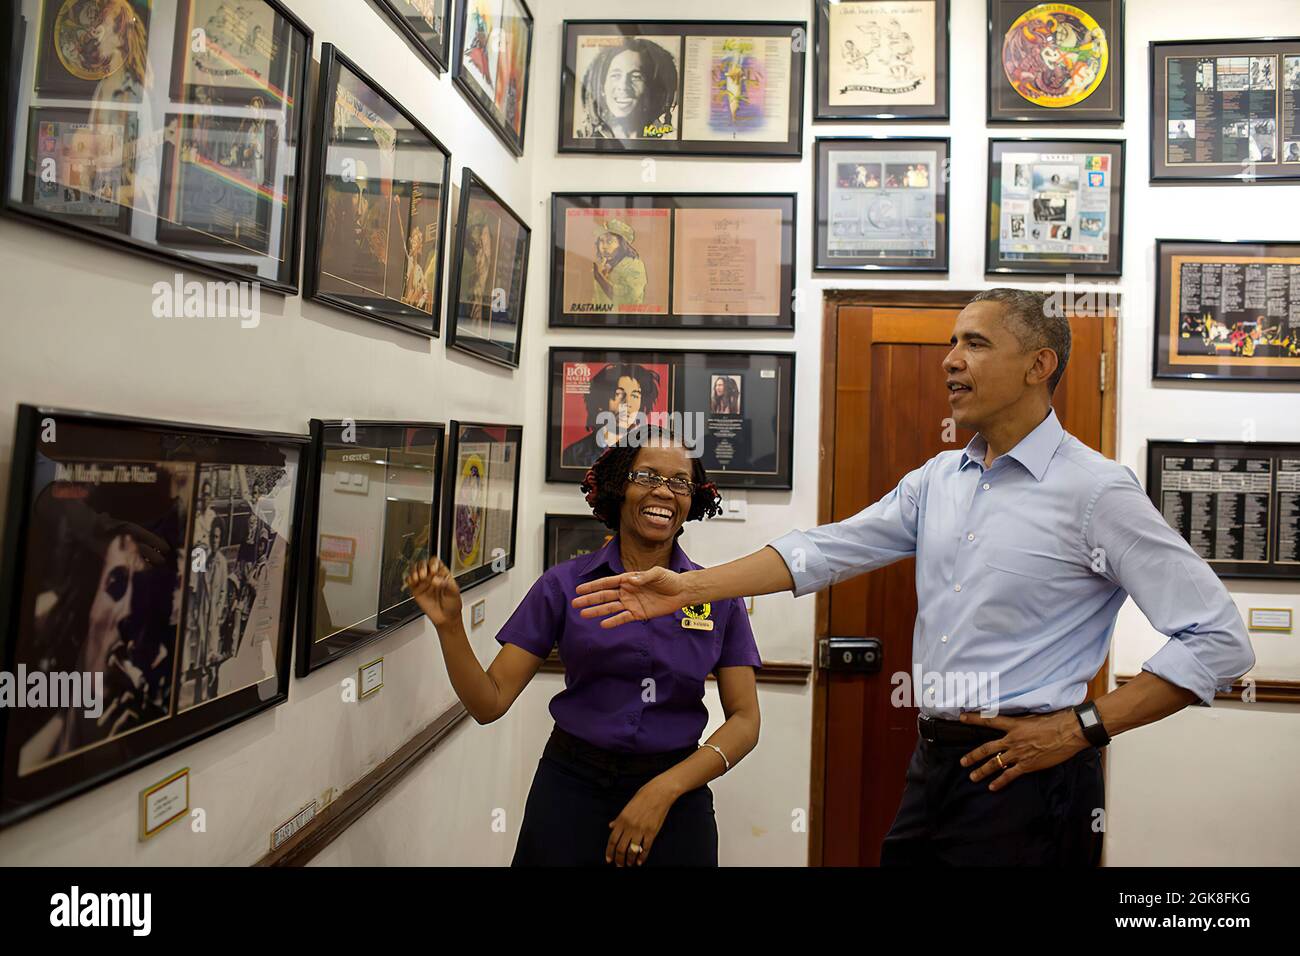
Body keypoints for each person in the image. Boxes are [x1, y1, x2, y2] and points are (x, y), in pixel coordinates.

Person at [573, 288, 1256, 866]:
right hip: (935, 766)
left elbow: (1218, 638)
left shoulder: (1096, 492)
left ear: (1038, 366)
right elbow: (827, 549)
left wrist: (1082, 728)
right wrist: (688, 587)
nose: (951, 361)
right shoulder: (939, 478)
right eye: (952, 343)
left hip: (1031, 778)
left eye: (976, 344)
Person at [406, 426, 762, 866]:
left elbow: (746, 721)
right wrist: (450, 628)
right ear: (618, 486)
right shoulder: (563, 586)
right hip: (570, 791)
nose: (665, 492)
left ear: (694, 498)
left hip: (678, 796)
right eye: (647, 476)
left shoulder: (715, 594)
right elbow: (489, 702)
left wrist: (664, 789)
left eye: (679, 482)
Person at [560, 362, 661, 469]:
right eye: (618, 394)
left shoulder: (653, 451)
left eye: (635, 396)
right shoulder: (574, 454)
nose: (627, 403)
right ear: (600, 402)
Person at [577, 38, 678, 140]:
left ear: (652, 89)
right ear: (603, 87)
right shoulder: (584, 137)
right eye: (615, 75)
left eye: (636, 77)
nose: (623, 86)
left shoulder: (669, 138)